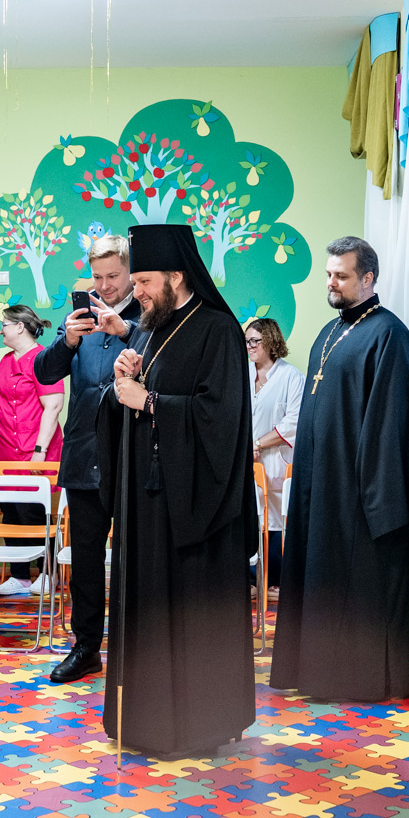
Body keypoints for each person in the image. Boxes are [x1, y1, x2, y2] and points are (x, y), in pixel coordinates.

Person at [94, 224, 256, 758]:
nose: (135, 291)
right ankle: (145, 719)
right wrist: (123, 380)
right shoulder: (149, 330)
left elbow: (220, 418)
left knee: (189, 614)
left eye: (143, 281)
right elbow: (131, 397)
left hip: (193, 511)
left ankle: (198, 723)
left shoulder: (219, 330)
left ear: (177, 276)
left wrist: (149, 402)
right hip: (148, 507)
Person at [268, 237, 409, 703]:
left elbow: (390, 423)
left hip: (356, 494)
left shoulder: (389, 334)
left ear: (368, 278)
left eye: (341, 276)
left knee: (355, 588)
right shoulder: (330, 331)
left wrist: (374, 499)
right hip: (319, 486)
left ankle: (354, 679)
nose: (331, 283)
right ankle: (314, 672)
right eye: (329, 274)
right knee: (318, 582)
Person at [33, 235, 139, 683]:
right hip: (82, 455)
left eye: (114, 275)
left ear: (131, 272)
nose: (106, 285)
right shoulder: (78, 317)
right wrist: (69, 342)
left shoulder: (148, 316)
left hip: (132, 457)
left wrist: (127, 332)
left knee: (136, 559)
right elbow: (44, 372)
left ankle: (136, 648)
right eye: (98, 277)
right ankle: (86, 648)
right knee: (87, 562)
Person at [0, 304, 65, 598]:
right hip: (3, 449)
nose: (0, 330)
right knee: (10, 513)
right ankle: (19, 576)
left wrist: (40, 451)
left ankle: (48, 573)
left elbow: (53, 406)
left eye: (4, 324)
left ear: (20, 327)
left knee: (35, 513)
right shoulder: (5, 361)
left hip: (33, 448)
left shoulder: (44, 359)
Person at [246, 317, 303, 578]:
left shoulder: (291, 377)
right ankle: (252, 580)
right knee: (250, 520)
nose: (250, 346)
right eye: (247, 341)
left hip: (276, 461)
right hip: (248, 460)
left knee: (276, 520)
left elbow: (293, 423)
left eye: (255, 341)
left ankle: (276, 581)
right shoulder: (242, 374)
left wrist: (257, 443)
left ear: (270, 341)